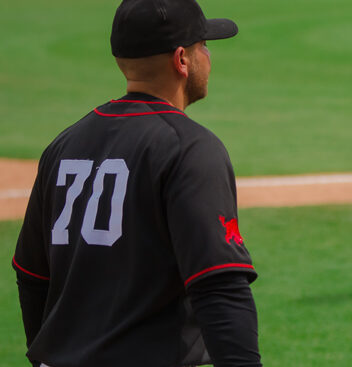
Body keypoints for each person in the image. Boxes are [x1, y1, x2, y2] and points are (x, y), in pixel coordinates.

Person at [12, 0, 261, 366]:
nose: (208, 56)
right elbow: (219, 285)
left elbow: (32, 274)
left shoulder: (64, 145)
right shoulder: (190, 147)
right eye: (203, 46)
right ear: (182, 60)